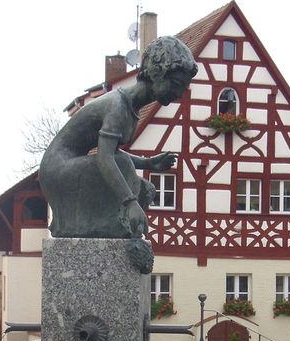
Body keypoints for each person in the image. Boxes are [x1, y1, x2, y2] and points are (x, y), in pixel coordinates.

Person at [39, 36, 198, 243]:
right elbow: (106, 158)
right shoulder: (117, 106)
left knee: (146, 190)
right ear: (156, 73)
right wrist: (129, 202)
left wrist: (147, 163)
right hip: (57, 171)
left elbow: (111, 152)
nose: (179, 93)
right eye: (176, 84)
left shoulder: (131, 107)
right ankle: (103, 223)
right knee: (124, 169)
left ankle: (115, 227)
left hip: (71, 168)